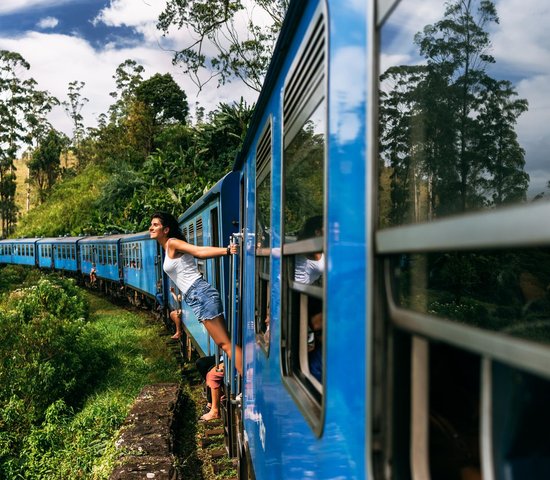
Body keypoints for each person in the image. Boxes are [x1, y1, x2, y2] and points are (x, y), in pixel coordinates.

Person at [149, 211, 243, 375]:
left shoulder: (172, 243)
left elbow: (199, 251)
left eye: (155, 224)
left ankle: (249, 388)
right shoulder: (167, 247)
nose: (151, 227)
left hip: (200, 294)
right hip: (197, 296)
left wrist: (227, 251)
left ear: (166, 229)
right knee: (225, 344)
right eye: (151, 224)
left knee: (226, 344)